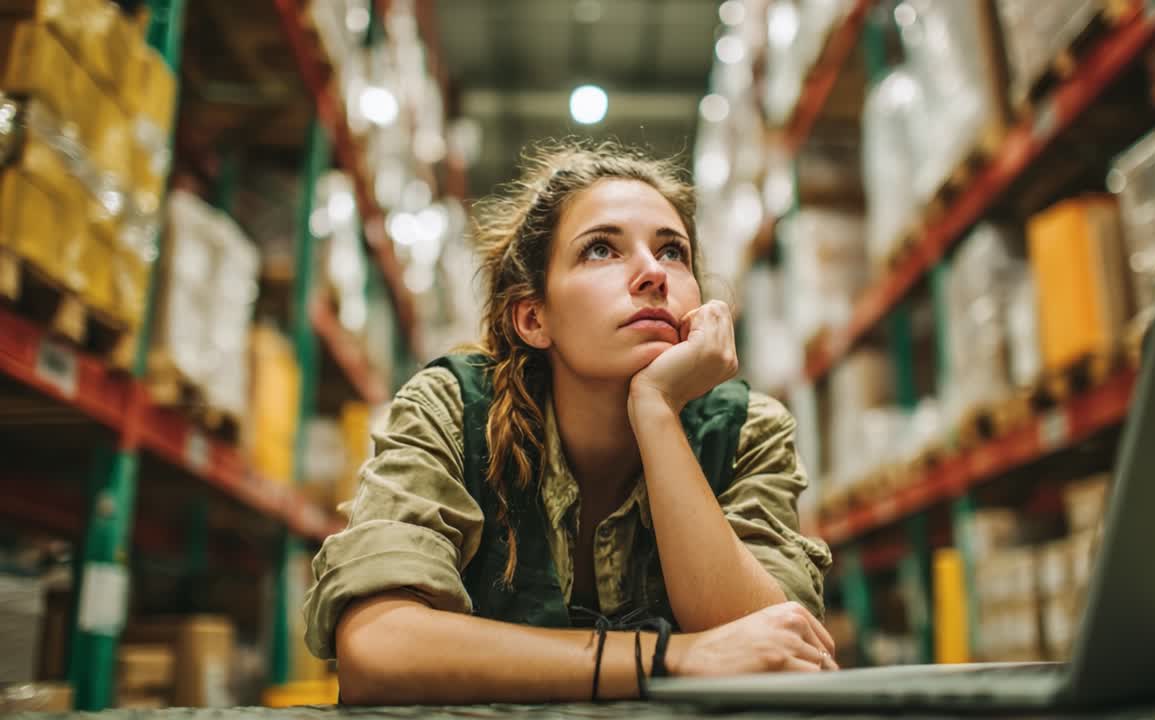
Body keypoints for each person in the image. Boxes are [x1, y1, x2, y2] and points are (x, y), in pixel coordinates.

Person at [301, 140, 835, 705]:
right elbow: (378, 651)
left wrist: (656, 410)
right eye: (602, 250)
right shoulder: (452, 410)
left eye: (673, 252)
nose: (653, 273)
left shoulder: (746, 430)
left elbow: (778, 654)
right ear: (534, 317)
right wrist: (671, 658)